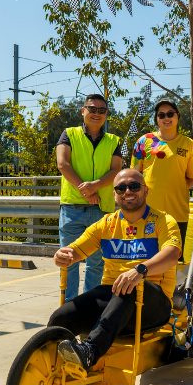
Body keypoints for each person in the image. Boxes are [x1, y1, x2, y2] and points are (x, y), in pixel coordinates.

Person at [0, 168, 181, 385]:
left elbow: (172, 254)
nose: (128, 192)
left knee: (127, 286)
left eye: (134, 186)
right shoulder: (107, 224)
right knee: (62, 316)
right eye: (121, 188)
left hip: (153, 300)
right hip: (117, 295)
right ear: (114, 195)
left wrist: (140, 270)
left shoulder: (162, 220)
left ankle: (89, 353)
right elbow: (78, 249)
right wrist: (64, 255)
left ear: (145, 190)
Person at [57, 94, 122, 301]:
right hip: (72, 208)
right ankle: (68, 309)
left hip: (101, 210)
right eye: (92, 109)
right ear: (83, 111)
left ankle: (89, 308)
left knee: (97, 262)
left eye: (102, 110)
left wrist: (94, 186)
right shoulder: (68, 134)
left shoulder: (114, 141)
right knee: (69, 260)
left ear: (106, 114)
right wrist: (85, 190)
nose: (96, 114)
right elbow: (62, 164)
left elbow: (116, 170)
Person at [131, 99, 193, 260]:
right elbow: (135, 176)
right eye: (161, 115)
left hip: (177, 214)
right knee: (144, 260)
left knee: (174, 260)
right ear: (156, 119)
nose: (166, 118)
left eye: (170, 114)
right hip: (146, 213)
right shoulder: (144, 141)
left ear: (178, 116)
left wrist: (175, 187)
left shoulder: (189, 144)